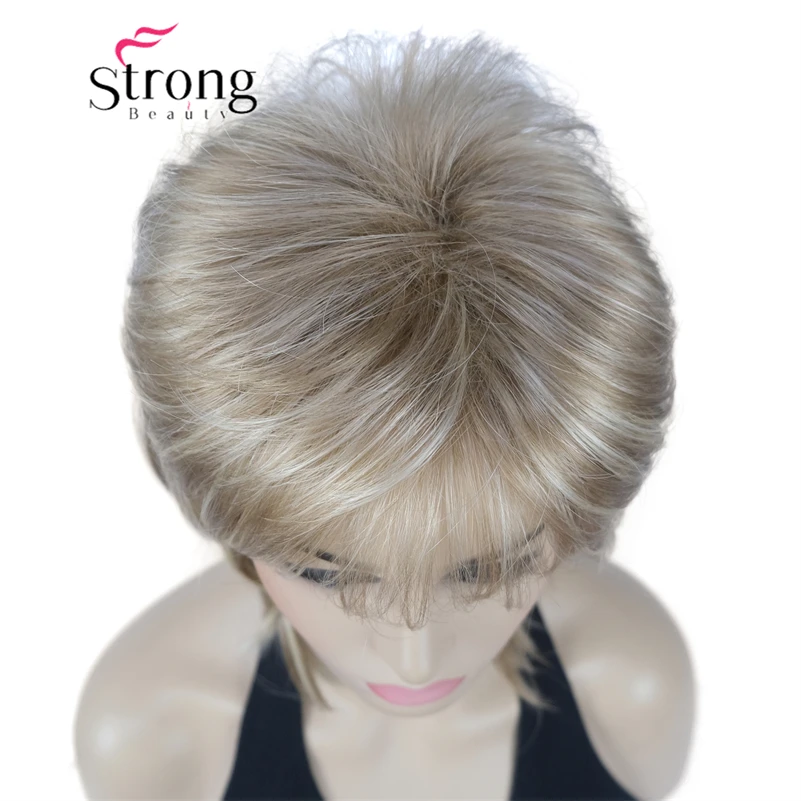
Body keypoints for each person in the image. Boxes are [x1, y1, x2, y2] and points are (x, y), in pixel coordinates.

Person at [73, 29, 695, 800]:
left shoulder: (630, 686)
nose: (414, 654)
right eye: (326, 571)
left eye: (483, 567)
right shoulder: (149, 731)